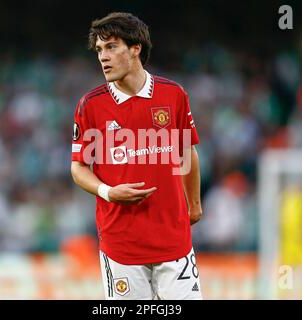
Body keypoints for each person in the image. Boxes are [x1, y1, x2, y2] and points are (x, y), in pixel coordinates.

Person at [71, 12, 203, 300]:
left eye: (111, 47)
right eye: (99, 50)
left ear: (135, 48)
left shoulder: (173, 95)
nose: (103, 57)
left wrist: (193, 203)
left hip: (174, 242)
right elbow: (78, 167)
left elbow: (187, 151)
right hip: (122, 245)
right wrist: (108, 192)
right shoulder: (91, 105)